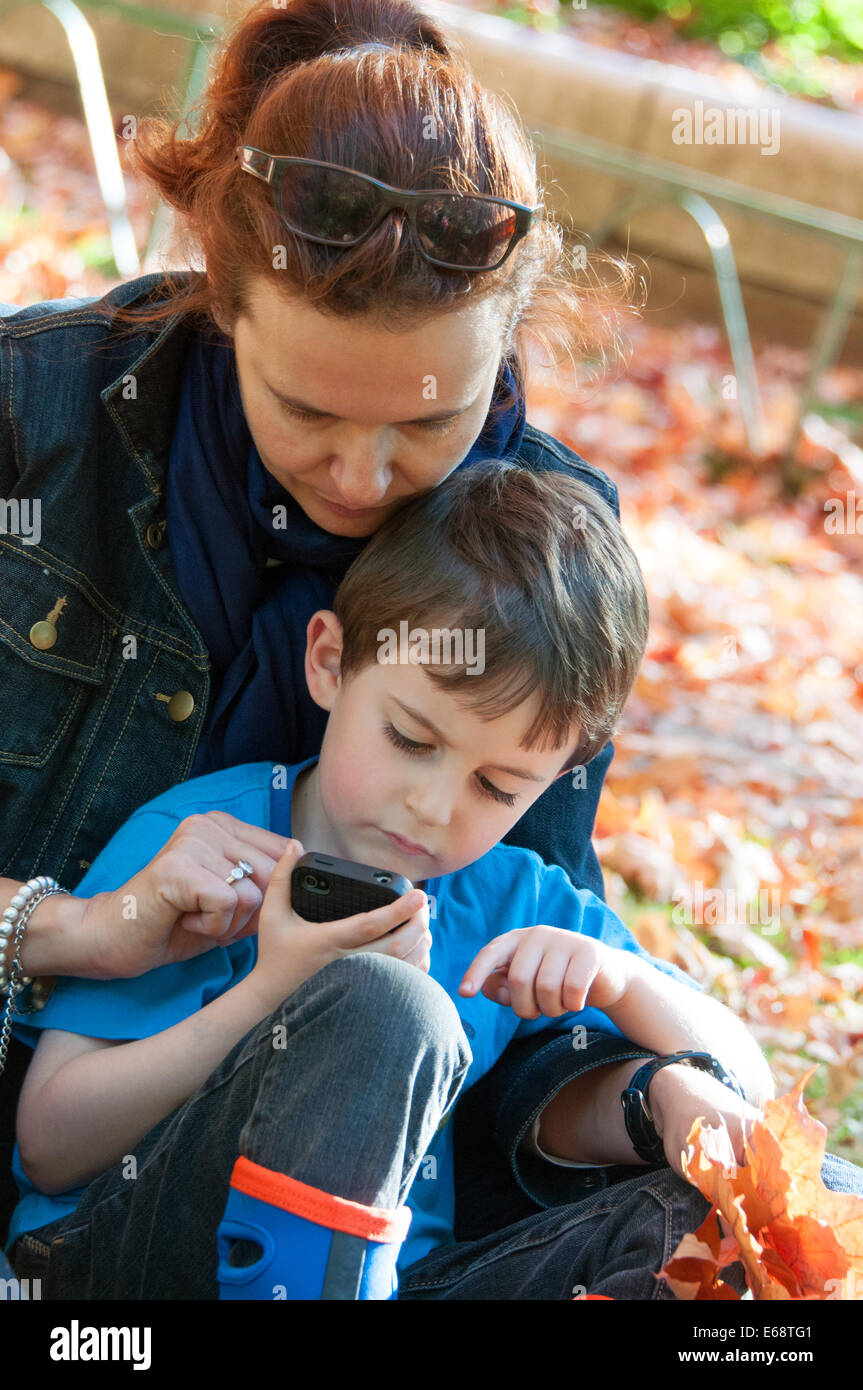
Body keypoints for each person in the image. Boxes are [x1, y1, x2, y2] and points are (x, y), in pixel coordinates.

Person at [0, 0, 652, 1242]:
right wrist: (75, 927)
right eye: (303, 409)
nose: (360, 478)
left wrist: (644, 1081)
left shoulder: (549, 553)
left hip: (355, 1198)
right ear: (222, 306)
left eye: (426, 422)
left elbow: (525, 976)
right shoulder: (30, 424)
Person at [7, 461, 788, 1300]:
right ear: (330, 663)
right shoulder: (204, 849)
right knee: (385, 1006)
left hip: (396, 1278)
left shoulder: (514, 900)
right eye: (411, 740)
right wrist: (272, 995)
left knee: (777, 1215)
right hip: (121, 1263)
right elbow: (52, 1145)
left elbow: (750, 1085)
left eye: (497, 788)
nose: (431, 806)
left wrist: (624, 984)